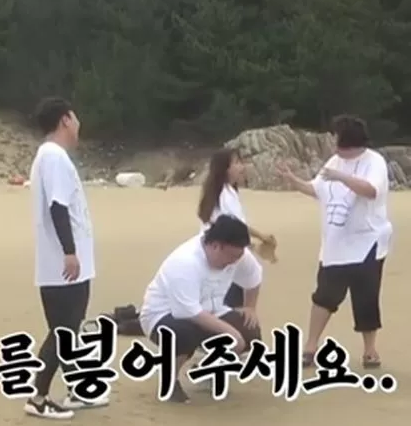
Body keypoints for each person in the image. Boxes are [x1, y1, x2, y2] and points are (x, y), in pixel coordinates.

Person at [277, 115, 392, 369]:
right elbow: (317, 189)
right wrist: (293, 180)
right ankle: (311, 346)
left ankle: (370, 350)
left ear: (345, 139)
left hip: (367, 242)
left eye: (334, 135)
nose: (330, 139)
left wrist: (342, 177)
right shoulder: (333, 162)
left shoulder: (374, 161)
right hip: (335, 243)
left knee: (366, 297)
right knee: (325, 296)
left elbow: (371, 190)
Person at [23, 97, 107, 420]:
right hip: (63, 266)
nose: (79, 124)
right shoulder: (54, 157)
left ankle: (77, 388)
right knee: (64, 332)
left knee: (66, 329)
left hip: (62, 265)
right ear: (65, 120)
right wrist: (70, 252)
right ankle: (38, 397)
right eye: (75, 117)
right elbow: (58, 207)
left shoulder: (49, 156)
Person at [139, 214, 263, 403]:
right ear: (215, 246)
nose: (234, 261)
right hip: (164, 315)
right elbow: (188, 311)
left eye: (238, 256)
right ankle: (169, 380)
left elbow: (254, 277)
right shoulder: (185, 262)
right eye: (231, 256)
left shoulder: (238, 255)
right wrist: (232, 333)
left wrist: (250, 307)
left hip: (211, 310)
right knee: (185, 334)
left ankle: (209, 370)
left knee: (250, 331)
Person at [197, 148, 276, 309]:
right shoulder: (224, 195)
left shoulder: (225, 191)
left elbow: (236, 227)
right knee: (232, 299)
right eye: (237, 163)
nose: (242, 167)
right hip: (222, 253)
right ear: (225, 168)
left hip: (218, 251)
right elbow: (233, 228)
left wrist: (257, 240)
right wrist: (258, 242)